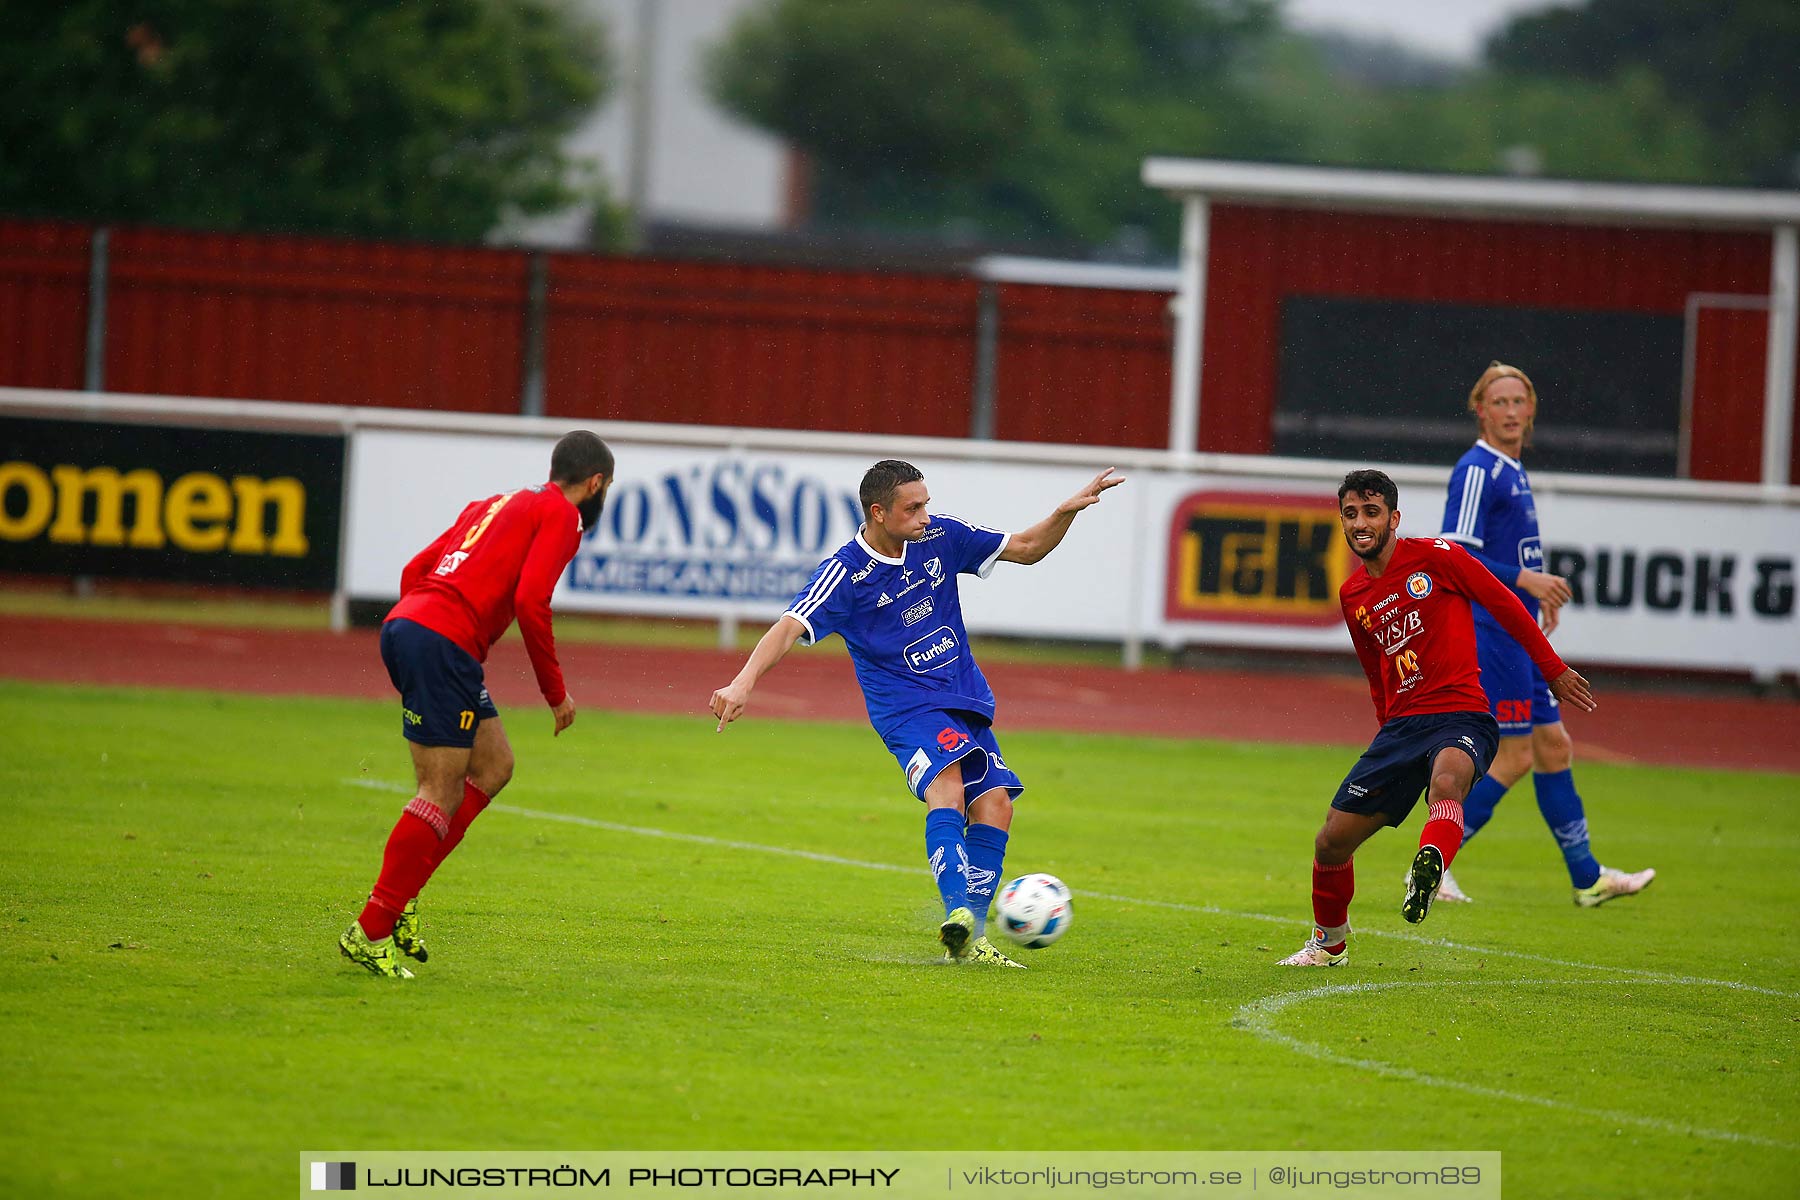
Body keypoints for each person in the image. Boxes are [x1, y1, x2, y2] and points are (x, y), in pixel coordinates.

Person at [710, 459, 1123, 968]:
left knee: (996, 805)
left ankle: (967, 938)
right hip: (905, 709)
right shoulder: (846, 573)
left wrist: (1063, 513)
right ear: (879, 513)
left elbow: (1026, 548)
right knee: (947, 786)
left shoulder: (940, 537)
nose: (926, 514)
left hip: (964, 698)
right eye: (914, 507)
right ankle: (961, 915)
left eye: (926, 503)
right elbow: (790, 625)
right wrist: (742, 682)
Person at [1278, 469, 1597, 967]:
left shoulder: (1437, 557)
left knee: (1447, 783)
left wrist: (1552, 670)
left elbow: (1505, 603)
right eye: (1351, 514)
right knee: (1332, 839)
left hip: (1461, 715)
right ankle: (1329, 944)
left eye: (1371, 512)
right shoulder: (1352, 595)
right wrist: (1386, 729)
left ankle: (1429, 869)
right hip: (1401, 730)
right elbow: (1375, 670)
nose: (1360, 523)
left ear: (1394, 518)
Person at [338, 431, 614, 978]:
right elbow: (531, 601)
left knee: (493, 767)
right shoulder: (562, 515)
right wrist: (555, 693)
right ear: (596, 483)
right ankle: (371, 929)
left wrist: (424, 626)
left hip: (413, 627)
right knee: (439, 789)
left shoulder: (493, 502)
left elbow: (416, 569)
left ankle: (403, 896)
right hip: (443, 643)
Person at [1436, 361, 1655, 907]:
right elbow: (1455, 551)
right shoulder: (1477, 469)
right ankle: (1434, 858)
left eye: (1519, 401)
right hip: (1493, 632)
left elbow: (1510, 555)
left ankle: (1587, 878)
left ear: (1531, 409)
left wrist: (1535, 598)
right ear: (1480, 410)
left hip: (1519, 627)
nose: (1511, 411)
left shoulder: (1513, 468)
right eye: (1500, 402)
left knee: (1553, 747)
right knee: (1512, 756)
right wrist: (1523, 581)